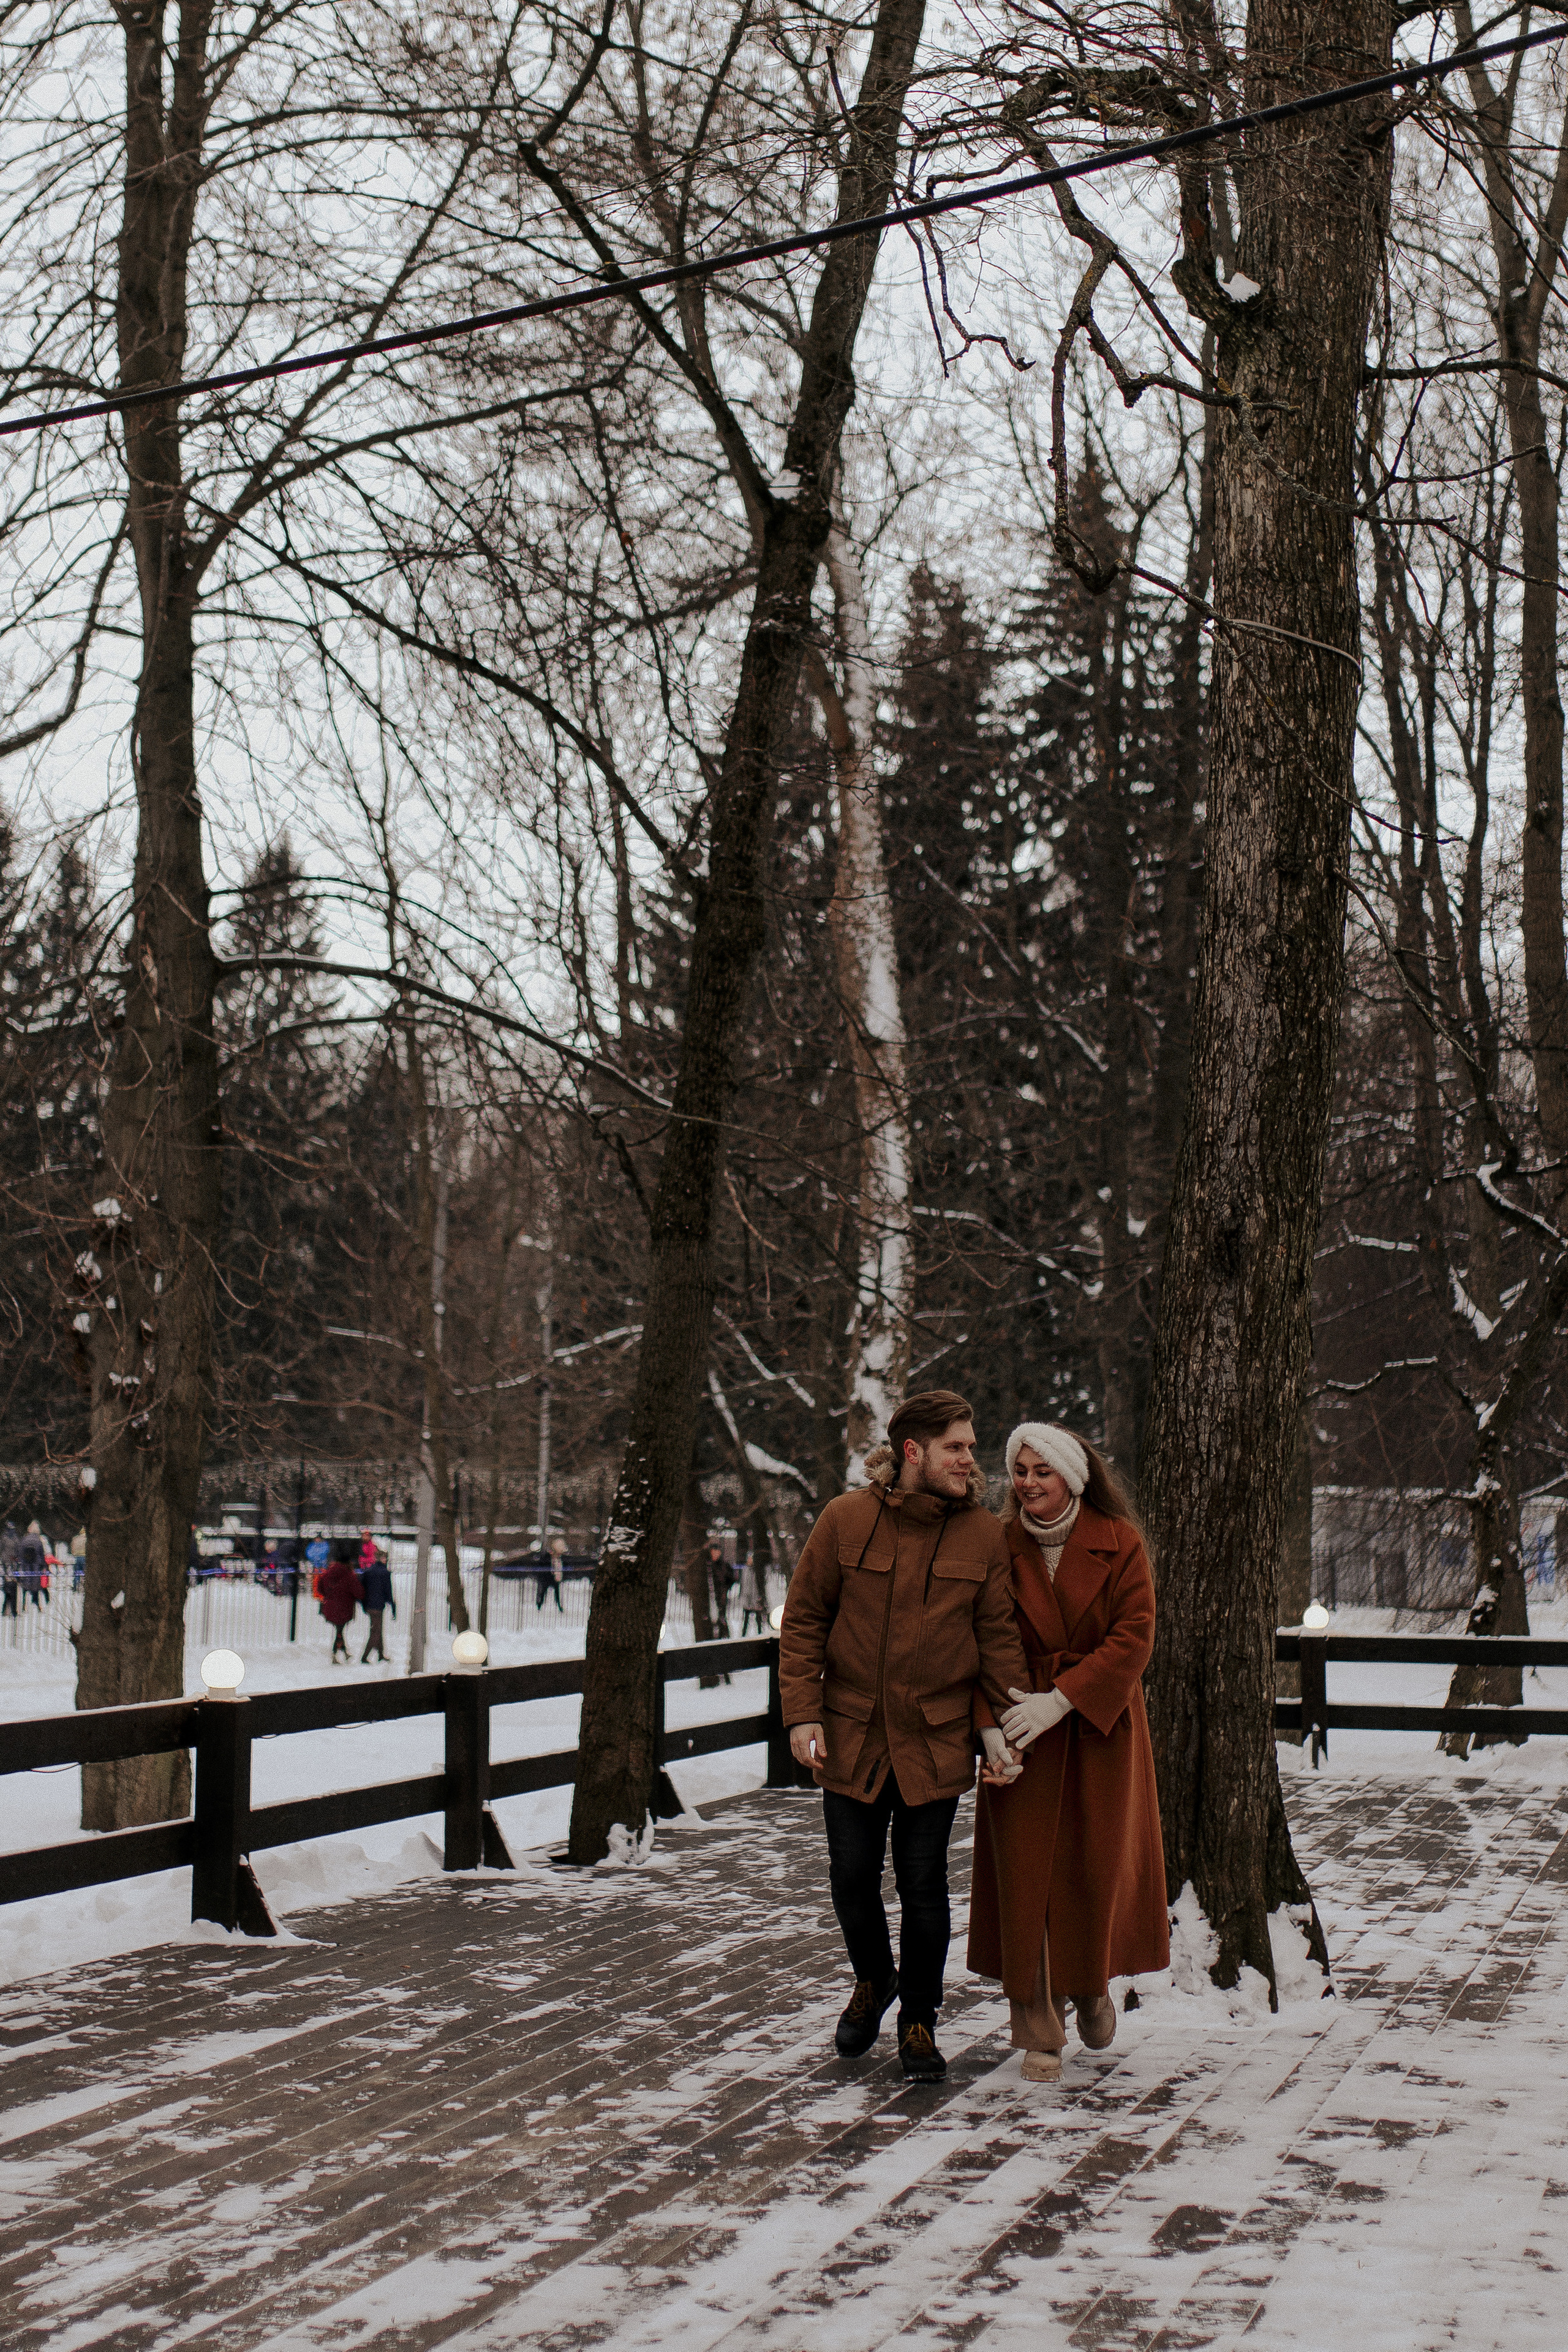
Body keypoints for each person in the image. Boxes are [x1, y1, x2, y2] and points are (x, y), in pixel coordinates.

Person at [779, 1390, 1029, 2082]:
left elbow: (998, 1642)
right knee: (851, 1878)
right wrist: (802, 1712)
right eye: (956, 1446)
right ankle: (873, 1979)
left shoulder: (983, 1535)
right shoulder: (844, 1519)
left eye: (970, 1446)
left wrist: (1008, 1737)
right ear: (913, 1451)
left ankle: (919, 2018)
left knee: (923, 1887)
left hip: (935, 1741)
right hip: (852, 1736)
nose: (968, 1459)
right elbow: (803, 1621)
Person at [967, 1423, 1170, 2084]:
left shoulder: (1121, 1542)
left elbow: (1134, 1636)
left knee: (1094, 1868)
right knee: (1027, 1881)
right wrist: (994, 1723)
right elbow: (978, 1637)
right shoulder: (997, 1545)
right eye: (1018, 1470)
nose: (1026, 1482)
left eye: (1040, 1471)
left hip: (1097, 1727)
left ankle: (1093, 1988)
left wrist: (1063, 1699)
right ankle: (1037, 2028)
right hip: (1018, 1725)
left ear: (1072, 1477)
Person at [318, 1541, 363, 1664]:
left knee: (339, 1630)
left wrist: (328, 1595)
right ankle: (335, 1654)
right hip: (344, 1608)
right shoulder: (349, 1575)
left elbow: (320, 1587)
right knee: (339, 1631)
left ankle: (344, 1653)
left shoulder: (329, 1572)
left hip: (330, 1606)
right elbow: (358, 1592)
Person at [359, 1540, 395, 1663]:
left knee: (377, 1629)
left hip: (369, 1605)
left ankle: (380, 1655)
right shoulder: (384, 1572)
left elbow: (362, 1588)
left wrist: (364, 1603)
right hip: (378, 1605)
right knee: (376, 1631)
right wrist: (392, 1605)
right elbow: (388, 1590)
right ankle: (365, 1657)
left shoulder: (368, 1571)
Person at [535, 1535, 565, 1613]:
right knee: (544, 1592)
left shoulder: (558, 1558)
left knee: (557, 1592)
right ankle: (539, 1605)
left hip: (554, 1577)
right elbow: (544, 1564)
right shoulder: (548, 1556)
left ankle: (559, 1606)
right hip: (548, 1577)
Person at [1, 1523, 18, 1618]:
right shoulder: (4, 1538)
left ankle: (13, 1609)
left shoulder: (15, 1538)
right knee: (8, 1588)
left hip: (13, 1566)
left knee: (13, 1588)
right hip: (6, 1565)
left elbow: (18, 1551)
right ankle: (7, 1610)